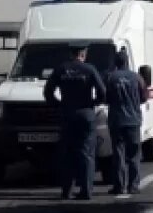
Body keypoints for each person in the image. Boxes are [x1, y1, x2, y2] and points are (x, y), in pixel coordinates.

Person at [44, 42, 106, 200]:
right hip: (85, 114)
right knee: (86, 154)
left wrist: (59, 104)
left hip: (67, 114)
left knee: (67, 153)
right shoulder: (89, 69)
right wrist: (93, 103)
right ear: (83, 54)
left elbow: (47, 92)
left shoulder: (61, 69)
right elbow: (102, 92)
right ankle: (86, 190)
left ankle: (66, 190)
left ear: (71, 54)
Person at [105, 49, 148, 196]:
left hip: (116, 120)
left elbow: (107, 98)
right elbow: (144, 97)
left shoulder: (111, 78)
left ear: (116, 63)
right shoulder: (137, 78)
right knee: (134, 154)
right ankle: (133, 185)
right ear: (127, 61)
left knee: (118, 154)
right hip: (133, 120)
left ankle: (119, 185)